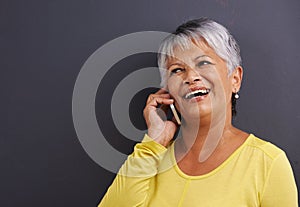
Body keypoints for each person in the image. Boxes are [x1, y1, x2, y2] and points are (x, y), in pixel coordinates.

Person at [98, 18, 298, 206]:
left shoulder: (268, 163)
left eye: (203, 63)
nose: (191, 77)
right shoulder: (150, 159)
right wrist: (154, 143)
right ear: (167, 90)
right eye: (177, 70)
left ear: (234, 79)